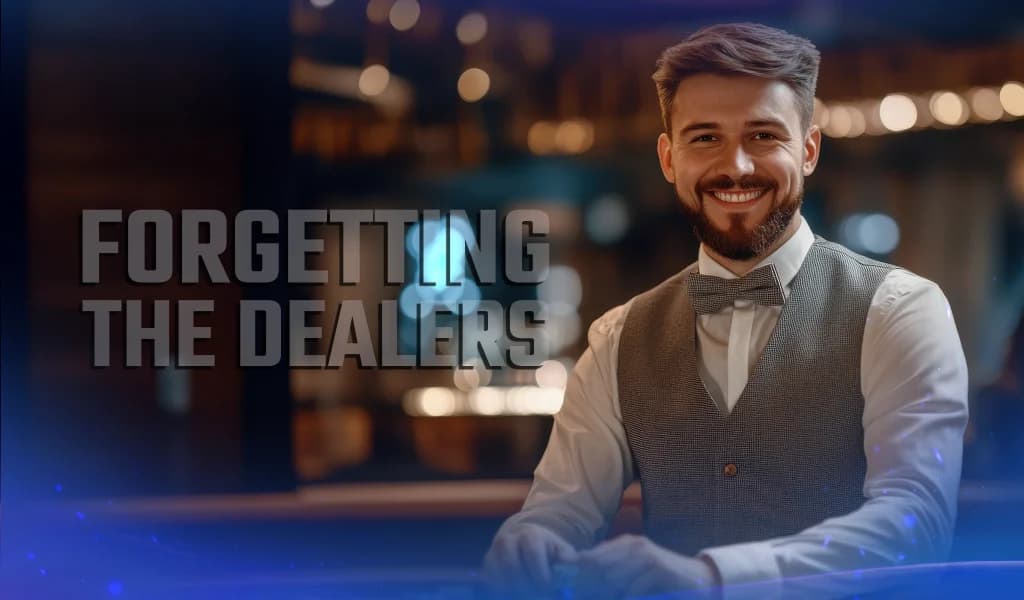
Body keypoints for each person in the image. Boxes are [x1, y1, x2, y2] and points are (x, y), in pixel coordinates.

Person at [482, 22, 969, 599]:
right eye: (705, 138)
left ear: (808, 150)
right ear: (669, 158)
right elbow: (558, 512)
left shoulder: (901, 310)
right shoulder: (617, 336)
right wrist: (530, 538)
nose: (735, 166)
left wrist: (714, 579)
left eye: (763, 135)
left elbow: (917, 526)